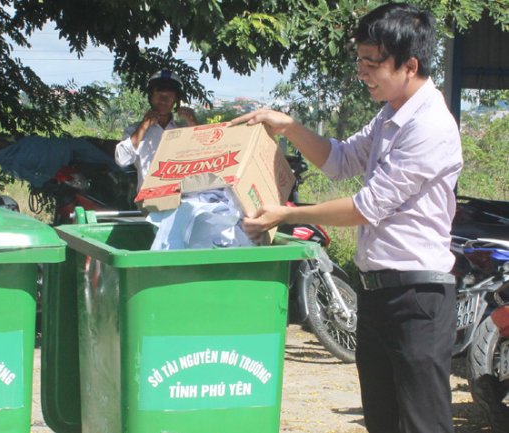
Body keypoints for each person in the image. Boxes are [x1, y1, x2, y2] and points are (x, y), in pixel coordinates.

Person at [230, 3, 463, 433]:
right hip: (376, 295)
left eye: (373, 63)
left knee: (422, 425)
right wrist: (289, 127)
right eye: (360, 60)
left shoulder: (430, 125)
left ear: (409, 64)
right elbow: (340, 161)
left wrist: (286, 214)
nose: (363, 72)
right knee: (382, 422)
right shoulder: (390, 114)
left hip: (418, 299)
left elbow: (366, 206)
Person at [115, 70, 198, 188]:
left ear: (176, 100)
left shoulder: (185, 130)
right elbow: (122, 159)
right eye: (159, 95)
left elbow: (207, 155)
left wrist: (194, 123)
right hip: (149, 201)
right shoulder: (135, 129)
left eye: (169, 97)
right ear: (151, 97)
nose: (163, 101)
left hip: (182, 199)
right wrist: (143, 127)